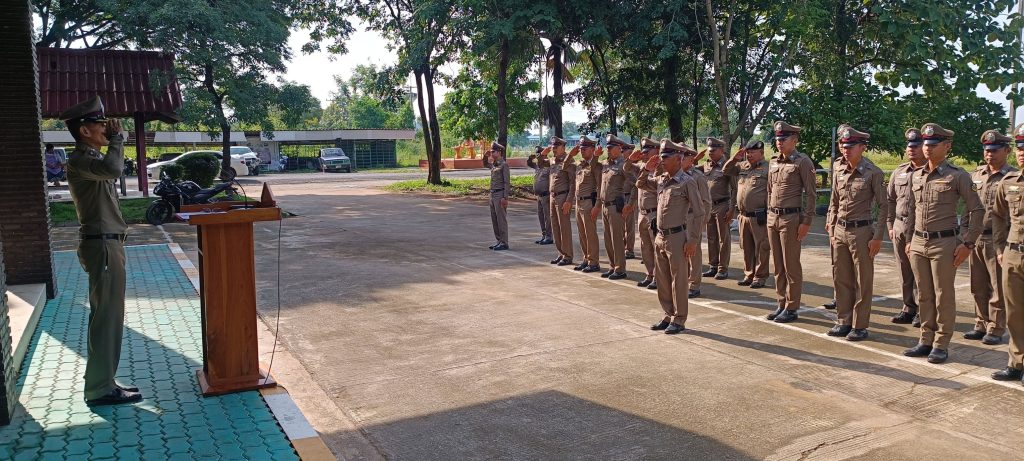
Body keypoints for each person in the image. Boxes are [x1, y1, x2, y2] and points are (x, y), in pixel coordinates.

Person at [61, 95, 141, 406]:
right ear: (84, 130)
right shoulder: (81, 161)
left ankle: (104, 381)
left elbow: (110, 168)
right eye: (101, 124)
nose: (108, 128)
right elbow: (113, 169)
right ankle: (99, 388)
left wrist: (113, 141)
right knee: (106, 318)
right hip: (102, 244)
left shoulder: (90, 159)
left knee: (109, 316)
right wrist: (118, 140)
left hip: (108, 244)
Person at [903, 123, 984, 364]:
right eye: (926, 144)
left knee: (943, 296)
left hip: (944, 243)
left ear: (947, 146)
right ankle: (925, 340)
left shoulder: (957, 175)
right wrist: (909, 240)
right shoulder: (917, 175)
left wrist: (968, 243)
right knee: (924, 294)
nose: (927, 148)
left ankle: (941, 344)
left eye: (933, 144)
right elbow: (911, 210)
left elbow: (977, 210)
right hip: (919, 242)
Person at [824, 126, 887, 341]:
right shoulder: (839, 169)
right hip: (840, 230)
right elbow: (834, 201)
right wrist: (831, 225)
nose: (846, 149)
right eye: (843, 145)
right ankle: (843, 321)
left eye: (851, 146)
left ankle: (859, 325)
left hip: (862, 231)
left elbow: (884, 206)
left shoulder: (873, 172)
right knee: (841, 278)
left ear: (862, 147)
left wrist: (877, 237)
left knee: (862, 280)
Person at [641, 140, 705, 334]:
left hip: (677, 237)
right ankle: (668, 314)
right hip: (660, 236)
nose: (662, 160)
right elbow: (640, 184)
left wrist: (693, 240)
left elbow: (699, 212)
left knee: (679, 280)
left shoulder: (687, 182)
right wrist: (646, 169)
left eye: (666, 157)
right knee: (662, 279)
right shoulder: (661, 180)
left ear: (678, 158)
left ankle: (679, 318)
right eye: (661, 156)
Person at [964, 130, 1017, 345]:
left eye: (994, 150)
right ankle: (981, 323)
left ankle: (996, 328)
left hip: (998, 240)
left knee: (997, 288)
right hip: (975, 238)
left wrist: (1003, 245)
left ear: (1007, 150)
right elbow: (968, 206)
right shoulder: (977, 174)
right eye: (986, 150)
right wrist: (964, 233)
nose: (989, 154)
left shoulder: (1011, 177)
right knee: (977, 285)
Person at [766, 121, 817, 323]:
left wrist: (806, 222)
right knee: (778, 265)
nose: (779, 142)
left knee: (791, 265)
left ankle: (792, 306)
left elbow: (811, 194)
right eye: (777, 138)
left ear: (794, 140)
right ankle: (781, 303)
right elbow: (769, 190)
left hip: (791, 219)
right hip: (773, 217)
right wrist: (768, 213)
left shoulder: (802, 162)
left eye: (784, 138)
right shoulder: (774, 162)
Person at [990, 122, 1024, 383]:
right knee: (1014, 313)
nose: (1022, 153)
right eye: (1020, 147)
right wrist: (1000, 248)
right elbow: (998, 216)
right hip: (1013, 254)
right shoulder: (1009, 181)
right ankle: (1016, 362)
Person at [887, 128, 927, 326]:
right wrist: (890, 225)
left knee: (920, 272)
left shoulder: (930, 172)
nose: (912, 149)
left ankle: (923, 310)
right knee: (904, 271)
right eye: (910, 146)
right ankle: (908, 308)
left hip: (919, 228)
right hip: (899, 226)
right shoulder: (899, 171)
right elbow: (890, 200)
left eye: (916, 146)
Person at [724, 141, 771, 289]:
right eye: (748, 152)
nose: (749, 155)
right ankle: (749, 274)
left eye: (752, 152)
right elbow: (726, 170)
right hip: (743, 215)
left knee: (761, 247)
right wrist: (734, 158)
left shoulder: (768, 168)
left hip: (759, 216)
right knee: (746, 247)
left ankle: (760, 277)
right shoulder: (742, 166)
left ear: (761, 152)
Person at [598, 134, 636, 280]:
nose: (608, 150)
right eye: (607, 147)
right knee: (608, 239)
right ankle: (612, 266)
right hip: (605, 206)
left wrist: (630, 204)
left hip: (615, 206)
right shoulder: (606, 164)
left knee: (617, 239)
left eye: (611, 147)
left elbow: (635, 184)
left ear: (619, 148)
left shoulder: (623, 165)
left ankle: (620, 269)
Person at [702, 137, 737, 280]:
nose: (710, 153)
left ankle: (723, 268)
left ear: (721, 151)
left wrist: (732, 209)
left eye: (714, 150)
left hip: (723, 205)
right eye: (709, 150)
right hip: (709, 206)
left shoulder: (727, 166)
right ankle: (713, 265)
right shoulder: (706, 165)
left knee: (724, 238)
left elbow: (734, 188)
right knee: (711, 237)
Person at [568, 136, 603, 273]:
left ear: (593, 149)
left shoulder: (596, 166)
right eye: (581, 148)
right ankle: (586, 259)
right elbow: (564, 166)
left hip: (589, 202)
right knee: (582, 233)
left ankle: (594, 262)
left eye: (585, 148)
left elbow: (600, 187)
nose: (582, 151)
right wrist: (570, 155)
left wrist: (597, 205)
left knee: (590, 234)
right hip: (579, 202)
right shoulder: (580, 165)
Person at [630, 138, 661, 288]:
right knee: (645, 246)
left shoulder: (662, 168)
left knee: (656, 247)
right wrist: (630, 160)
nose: (645, 154)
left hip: (654, 212)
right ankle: (650, 274)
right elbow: (626, 169)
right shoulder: (643, 166)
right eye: (644, 151)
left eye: (648, 151)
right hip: (642, 213)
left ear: (657, 151)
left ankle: (658, 277)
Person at [685, 149, 712, 298]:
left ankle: (694, 284)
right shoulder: (676, 176)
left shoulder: (697, 176)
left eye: (683, 157)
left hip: (693, 217)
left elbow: (706, 202)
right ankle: (684, 280)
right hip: (679, 218)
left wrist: (702, 222)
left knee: (693, 253)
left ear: (691, 159)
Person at [547, 137, 576, 266]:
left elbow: (573, 183)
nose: (553, 149)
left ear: (563, 148)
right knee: (555, 227)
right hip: (553, 197)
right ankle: (560, 253)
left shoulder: (569, 161)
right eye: (552, 147)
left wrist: (569, 200)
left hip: (563, 197)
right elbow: (539, 162)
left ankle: (568, 255)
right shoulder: (552, 160)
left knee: (564, 227)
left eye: (556, 147)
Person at [484, 142, 511, 251]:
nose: (491, 153)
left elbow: (506, 182)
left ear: (499, 152)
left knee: (501, 219)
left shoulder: (504, 165)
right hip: (493, 194)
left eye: (493, 151)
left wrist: (505, 197)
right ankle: (499, 240)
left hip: (500, 194)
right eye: (491, 151)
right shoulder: (494, 164)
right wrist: (485, 156)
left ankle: (504, 242)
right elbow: (485, 164)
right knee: (494, 219)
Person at [528, 146, 554, 245]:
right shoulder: (537, 166)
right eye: (537, 154)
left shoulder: (549, 165)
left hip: (546, 195)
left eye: (540, 153)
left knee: (547, 217)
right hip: (539, 196)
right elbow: (529, 163)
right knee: (541, 217)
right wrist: (530, 158)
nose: (538, 155)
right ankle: (544, 235)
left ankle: (549, 236)